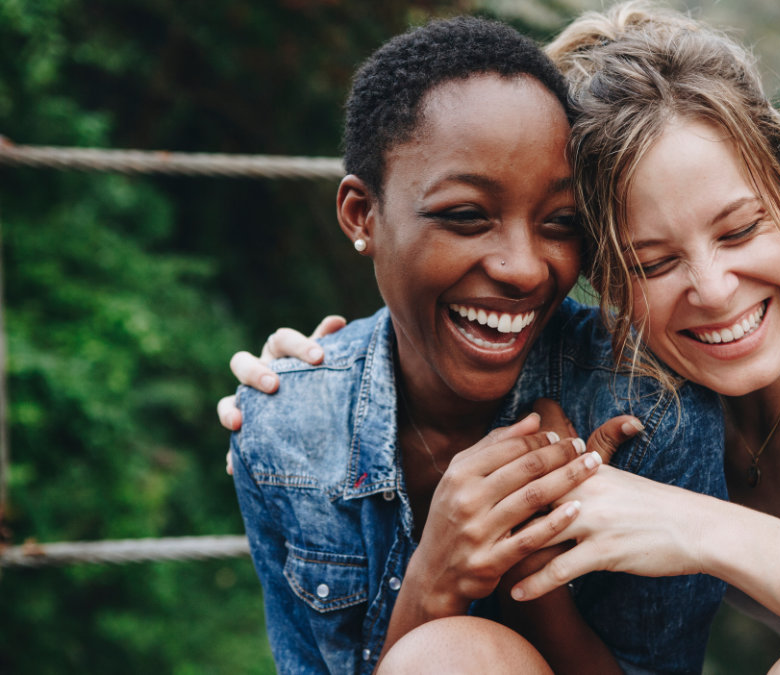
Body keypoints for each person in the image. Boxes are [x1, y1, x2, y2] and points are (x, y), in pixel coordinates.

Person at [232, 4, 780, 673]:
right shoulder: (658, 400)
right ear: (605, 280)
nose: (714, 288)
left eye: (738, 230)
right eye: (654, 261)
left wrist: (708, 528)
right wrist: (320, 384)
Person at [225, 15, 726, 675]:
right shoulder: (284, 430)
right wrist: (434, 578)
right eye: (466, 216)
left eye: (560, 222)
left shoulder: (649, 407)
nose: (523, 267)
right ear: (361, 215)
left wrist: (533, 571)